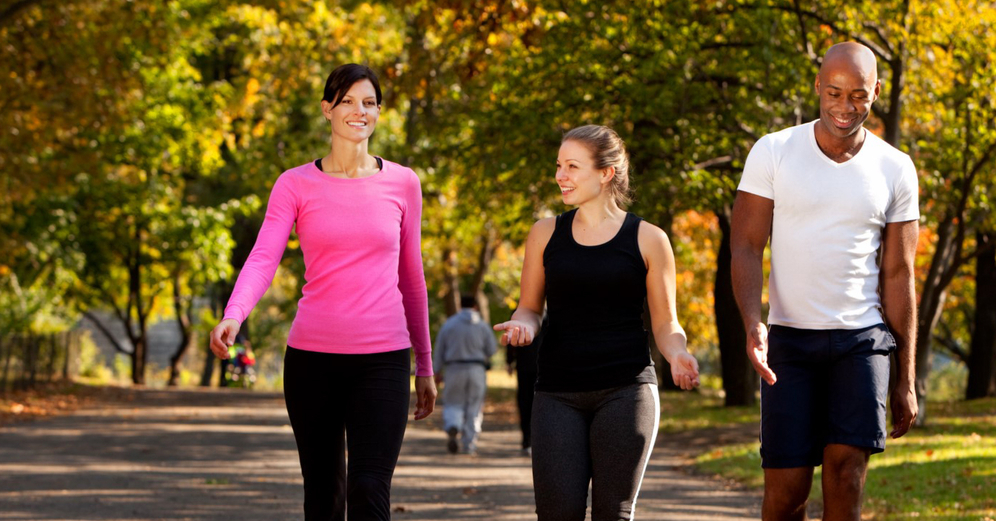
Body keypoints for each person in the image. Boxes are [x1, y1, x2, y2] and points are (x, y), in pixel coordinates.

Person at [208, 63, 437, 521]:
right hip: (313, 360)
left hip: (384, 358)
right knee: (323, 494)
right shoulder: (294, 184)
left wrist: (424, 365)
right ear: (326, 110)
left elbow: (411, 276)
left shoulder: (404, 183)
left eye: (369, 102)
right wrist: (235, 313)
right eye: (348, 101)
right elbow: (263, 257)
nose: (360, 111)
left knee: (369, 488)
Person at [730, 42, 920, 521]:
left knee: (845, 477)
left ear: (876, 91)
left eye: (858, 95)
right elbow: (746, 247)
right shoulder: (773, 151)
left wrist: (907, 378)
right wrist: (754, 324)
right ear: (818, 86)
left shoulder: (895, 168)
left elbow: (899, 274)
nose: (844, 106)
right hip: (789, 343)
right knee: (786, 494)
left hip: (862, 342)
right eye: (834, 92)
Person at [493, 124, 702, 520]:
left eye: (572, 166)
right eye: (559, 165)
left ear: (606, 173)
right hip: (557, 392)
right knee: (557, 513)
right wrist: (524, 326)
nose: (560, 176)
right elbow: (530, 307)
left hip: (626, 391)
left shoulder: (649, 239)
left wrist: (677, 353)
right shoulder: (544, 234)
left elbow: (665, 323)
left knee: (613, 512)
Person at [432, 295, 498, 455]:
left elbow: (439, 349)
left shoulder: (449, 324)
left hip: (454, 368)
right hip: (476, 369)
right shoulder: (482, 325)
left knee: (453, 402)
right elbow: (492, 349)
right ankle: (469, 444)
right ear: (475, 306)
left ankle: (453, 425)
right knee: (474, 407)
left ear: (460, 305)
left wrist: (436, 371)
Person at [506, 312, 545, 456]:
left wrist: (509, 360)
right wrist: (509, 360)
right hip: (539, 367)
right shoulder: (545, 314)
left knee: (525, 402)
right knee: (532, 403)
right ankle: (530, 440)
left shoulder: (520, 314)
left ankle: (528, 440)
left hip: (527, 366)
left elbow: (511, 342)